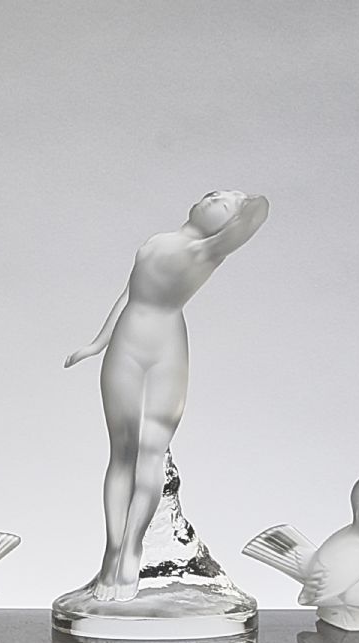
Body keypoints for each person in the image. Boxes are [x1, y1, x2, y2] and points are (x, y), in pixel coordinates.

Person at [65, 190, 269, 600]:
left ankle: (132, 549)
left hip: (167, 351)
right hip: (126, 343)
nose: (214, 197)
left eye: (224, 203)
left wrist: (245, 206)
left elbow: (256, 215)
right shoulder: (158, 242)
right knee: (122, 452)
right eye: (215, 194)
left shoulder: (207, 251)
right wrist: (97, 342)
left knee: (151, 452)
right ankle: (112, 550)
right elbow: (129, 293)